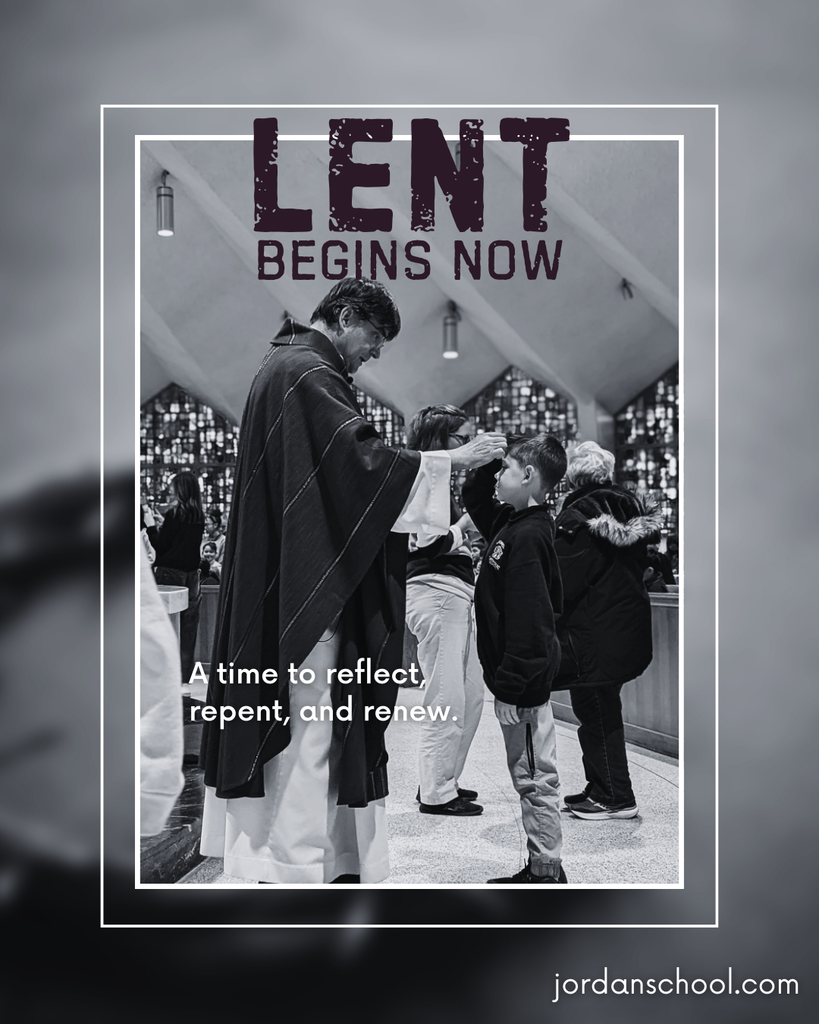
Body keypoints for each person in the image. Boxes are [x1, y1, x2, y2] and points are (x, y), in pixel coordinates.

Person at [198, 279, 506, 884]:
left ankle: (302, 858)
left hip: (289, 579)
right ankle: (295, 864)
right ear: (342, 317)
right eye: (373, 338)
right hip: (305, 601)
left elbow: (339, 475)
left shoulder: (285, 367)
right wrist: (450, 461)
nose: (376, 353)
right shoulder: (307, 373)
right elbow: (359, 465)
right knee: (310, 726)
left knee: (317, 723)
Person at [462, 434, 568, 883]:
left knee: (533, 775)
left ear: (527, 477)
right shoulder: (512, 521)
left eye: (505, 469)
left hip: (523, 685)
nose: (498, 477)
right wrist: (488, 459)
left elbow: (530, 623)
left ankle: (546, 870)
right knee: (527, 769)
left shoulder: (528, 536)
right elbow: (473, 496)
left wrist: (509, 686)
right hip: (519, 680)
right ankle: (542, 865)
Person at [551, 441, 660, 820]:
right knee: (603, 708)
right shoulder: (630, 507)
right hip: (625, 625)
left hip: (594, 630)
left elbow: (565, 578)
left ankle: (613, 795)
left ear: (571, 477)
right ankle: (604, 785)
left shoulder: (579, 515)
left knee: (596, 710)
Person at [404, 405, 485, 817]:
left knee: (470, 696)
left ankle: (443, 780)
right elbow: (427, 546)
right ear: (439, 441)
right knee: (446, 696)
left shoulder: (439, 480)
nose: (470, 446)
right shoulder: (424, 479)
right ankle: (436, 792)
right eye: (462, 439)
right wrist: (467, 527)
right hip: (435, 592)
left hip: (453, 592)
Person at [144, 471, 205, 686]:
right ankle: (183, 679)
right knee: (188, 630)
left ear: (181, 489)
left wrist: (151, 526)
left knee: (166, 628)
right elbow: (182, 543)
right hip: (192, 576)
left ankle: (163, 679)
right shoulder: (198, 517)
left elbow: (161, 548)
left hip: (171, 574)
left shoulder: (174, 515)